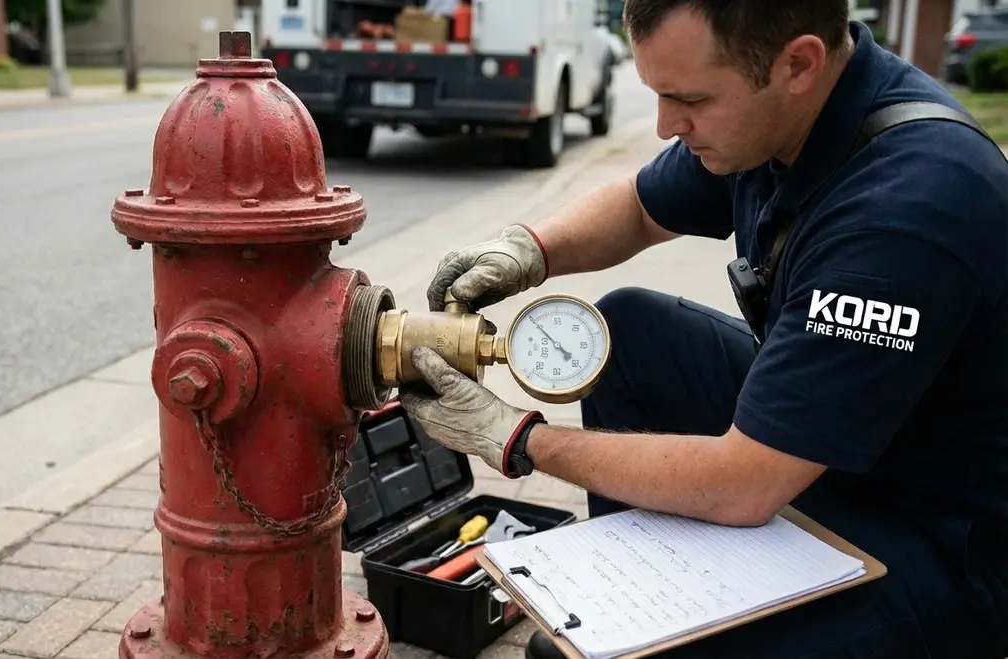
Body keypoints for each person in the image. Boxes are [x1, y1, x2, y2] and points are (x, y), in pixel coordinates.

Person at [397, 1, 1008, 658]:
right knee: (629, 332)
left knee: (584, 655)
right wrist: (526, 249)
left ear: (797, 63)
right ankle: (640, 590)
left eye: (686, 99)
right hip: (836, 453)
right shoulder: (778, 118)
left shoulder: (904, 213)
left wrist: (515, 438)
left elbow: (744, 481)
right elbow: (638, 207)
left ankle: (649, 627)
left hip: (941, 543)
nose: (664, 126)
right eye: (657, 94)